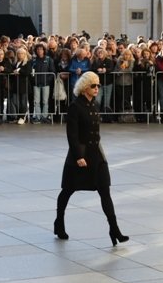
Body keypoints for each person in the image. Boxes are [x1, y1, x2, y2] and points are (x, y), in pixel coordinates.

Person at [54, 71, 129, 246]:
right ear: (85, 87)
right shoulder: (75, 106)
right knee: (68, 190)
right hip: (80, 154)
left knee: (105, 190)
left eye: (98, 85)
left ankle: (114, 229)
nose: (97, 88)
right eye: (93, 85)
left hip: (97, 154)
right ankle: (59, 222)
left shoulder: (94, 105)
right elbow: (72, 135)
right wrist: (78, 156)